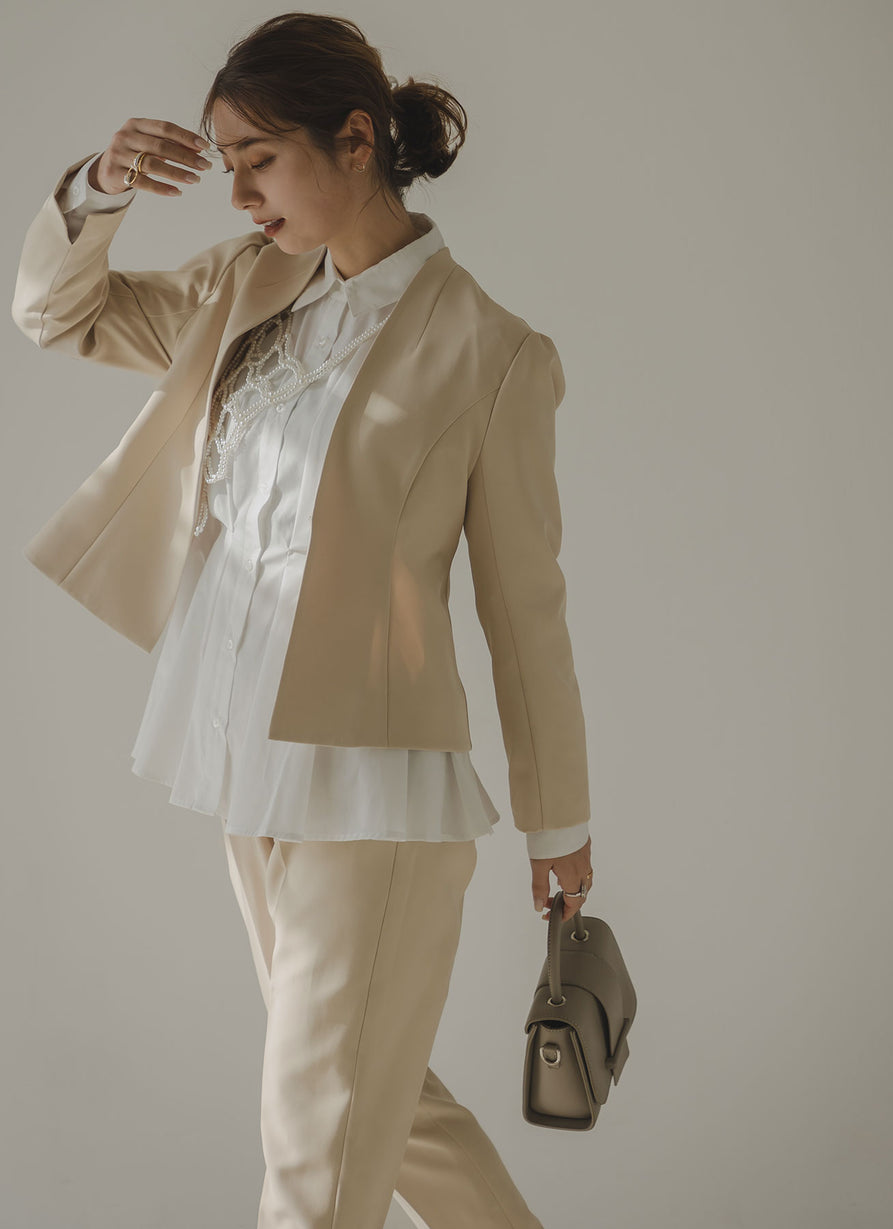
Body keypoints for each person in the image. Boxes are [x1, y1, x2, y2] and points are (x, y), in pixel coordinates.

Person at [12, 12, 595, 1229]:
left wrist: (559, 821)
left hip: (374, 789)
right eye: (225, 164)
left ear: (356, 140)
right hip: (241, 757)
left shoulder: (492, 355)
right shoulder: (242, 287)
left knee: (312, 1140)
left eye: (259, 160)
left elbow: (523, 608)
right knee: (377, 1101)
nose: (238, 194)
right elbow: (58, 315)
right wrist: (99, 187)